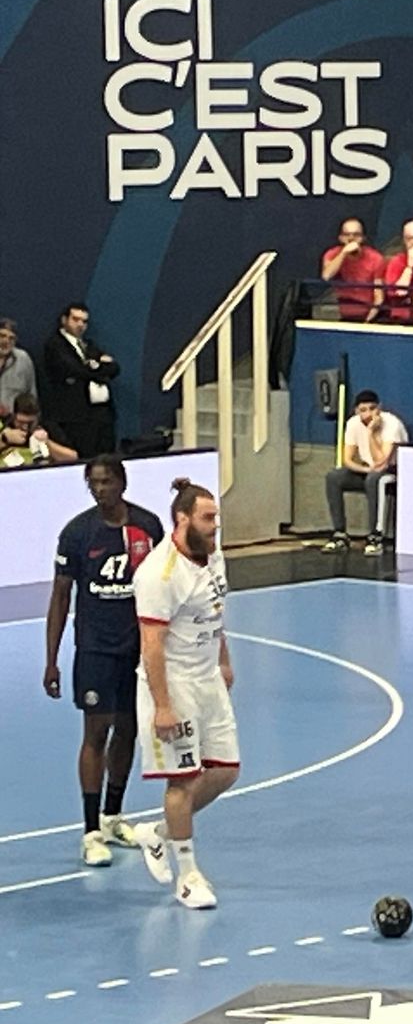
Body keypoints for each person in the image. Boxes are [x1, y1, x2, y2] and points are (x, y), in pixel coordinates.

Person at [43, 457, 163, 867]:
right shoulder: (77, 533)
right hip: (96, 648)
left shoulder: (147, 527)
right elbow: (61, 596)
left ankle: (113, 817)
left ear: (122, 483)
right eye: (93, 483)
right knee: (96, 732)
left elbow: (164, 588)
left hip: (137, 649)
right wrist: (52, 660)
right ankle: (91, 831)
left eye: (106, 482)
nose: (99, 490)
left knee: (128, 730)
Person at [130, 480, 238, 909]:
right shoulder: (159, 574)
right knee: (182, 779)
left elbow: (215, 608)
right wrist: (162, 706)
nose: (215, 525)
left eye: (216, 517)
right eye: (207, 518)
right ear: (182, 519)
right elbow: (151, 644)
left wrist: (223, 659)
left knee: (226, 771)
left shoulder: (213, 553)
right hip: (174, 685)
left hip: (207, 677)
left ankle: (158, 833)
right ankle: (188, 877)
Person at [322, 389, 406, 556]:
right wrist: (365, 469)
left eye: (372, 409)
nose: (368, 414)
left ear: (379, 408)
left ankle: (375, 536)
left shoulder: (392, 424)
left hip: (393, 472)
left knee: (373, 479)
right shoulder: (353, 424)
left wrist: (371, 433)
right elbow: (347, 459)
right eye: (363, 410)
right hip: (368, 469)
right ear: (356, 411)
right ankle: (340, 534)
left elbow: (381, 461)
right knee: (334, 477)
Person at [42, 303, 118, 461]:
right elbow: (74, 369)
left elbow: (114, 368)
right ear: (64, 320)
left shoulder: (89, 346)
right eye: (75, 319)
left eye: (84, 321)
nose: (80, 325)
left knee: (107, 457)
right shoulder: (56, 345)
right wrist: (97, 367)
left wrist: (93, 368)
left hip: (100, 414)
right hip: (75, 417)